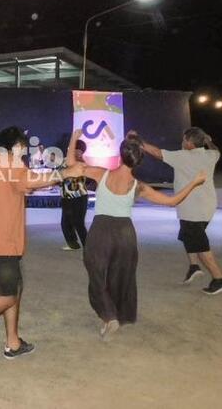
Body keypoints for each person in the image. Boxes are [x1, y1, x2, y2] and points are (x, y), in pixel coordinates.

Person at [0, 126, 83, 364]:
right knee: (6, 297)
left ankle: (13, 342)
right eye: (23, 148)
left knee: (13, 289)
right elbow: (34, 180)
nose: (25, 153)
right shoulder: (13, 164)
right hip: (2, 241)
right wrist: (66, 173)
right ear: (17, 146)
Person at [67, 130, 206, 341]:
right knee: (121, 277)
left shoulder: (101, 174)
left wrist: (74, 137)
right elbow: (172, 201)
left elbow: (71, 163)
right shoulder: (139, 186)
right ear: (139, 161)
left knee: (96, 276)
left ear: (120, 155)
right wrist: (194, 183)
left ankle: (108, 316)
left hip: (101, 230)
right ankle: (116, 315)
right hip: (125, 234)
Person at [134, 127, 222, 294]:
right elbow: (217, 150)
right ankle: (194, 266)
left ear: (189, 143)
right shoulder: (211, 155)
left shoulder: (182, 157)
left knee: (201, 246)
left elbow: (157, 153)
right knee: (188, 236)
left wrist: (138, 141)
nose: (182, 142)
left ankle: (220, 279)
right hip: (206, 206)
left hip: (193, 209)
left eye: (184, 140)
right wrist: (208, 140)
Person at [60, 138, 89, 251]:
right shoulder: (65, 161)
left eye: (79, 151)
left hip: (79, 197)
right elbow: (59, 174)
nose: (77, 152)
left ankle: (88, 248)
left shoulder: (82, 163)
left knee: (78, 223)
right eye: (74, 150)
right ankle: (73, 244)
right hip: (66, 196)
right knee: (65, 223)